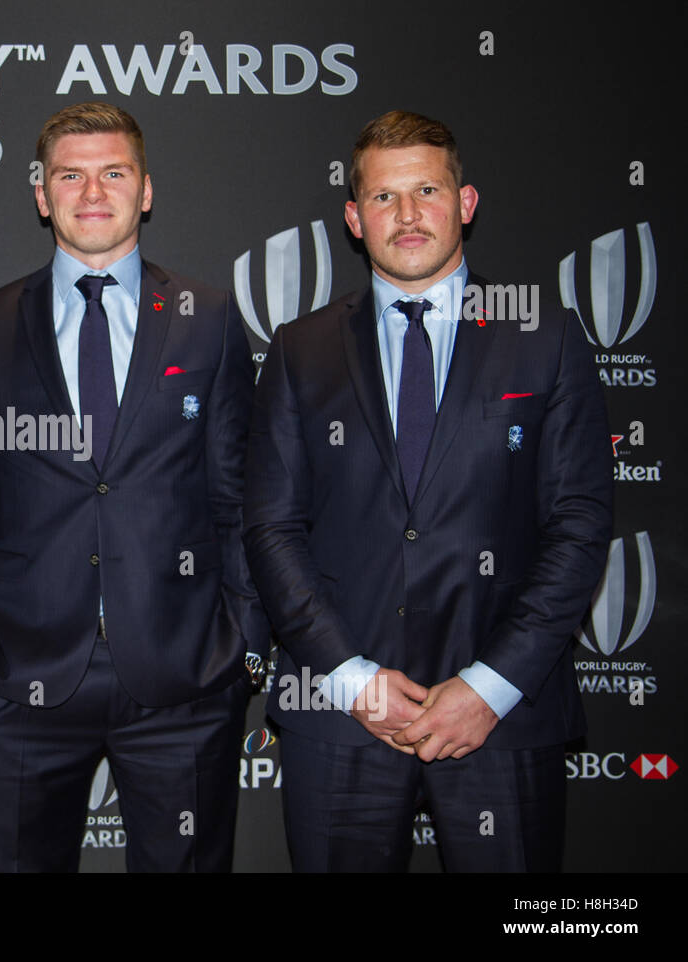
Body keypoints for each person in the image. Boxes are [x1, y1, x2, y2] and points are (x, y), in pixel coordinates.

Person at [244, 110, 612, 871]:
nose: (407, 215)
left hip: (502, 718)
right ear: (353, 216)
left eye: (427, 191)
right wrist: (351, 679)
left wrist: (489, 686)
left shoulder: (546, 336)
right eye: (383, 197)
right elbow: (273, 528)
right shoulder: (299, 350)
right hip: (342, 719)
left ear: (465, 202)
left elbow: (578, 525)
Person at [0, 102, 267, 872]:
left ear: (145, 190)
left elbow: (237, 493)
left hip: (184, 676)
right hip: (20, 677)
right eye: (70, 175)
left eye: (113, 173)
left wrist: (244, 646)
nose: (92, 192)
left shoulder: (207, 318)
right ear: (41, 195)